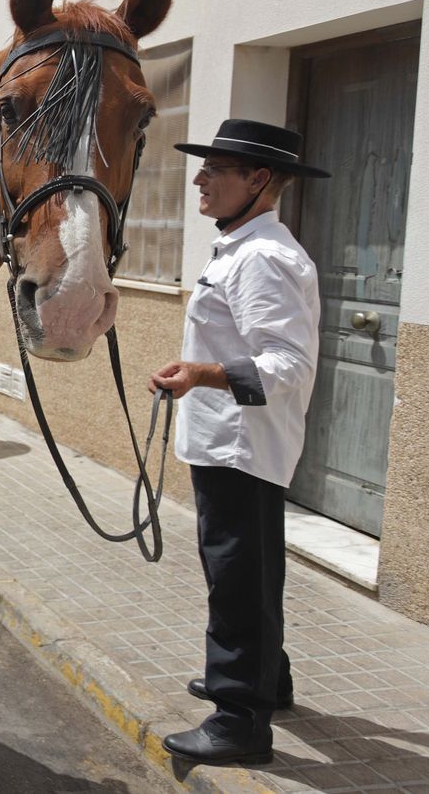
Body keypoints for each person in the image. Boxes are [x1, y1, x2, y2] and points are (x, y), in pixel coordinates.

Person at [148, 119, 327, 766]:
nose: (199, 178)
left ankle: (238, 718)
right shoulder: (240, 246)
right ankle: (264, 680)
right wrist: (200, 371)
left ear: (258, 180)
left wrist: (202, 374)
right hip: (228, 441)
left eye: (214, 169)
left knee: (237, 577)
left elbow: (285, 365)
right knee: (248, 570)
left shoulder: (266, 258)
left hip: (243, 446)